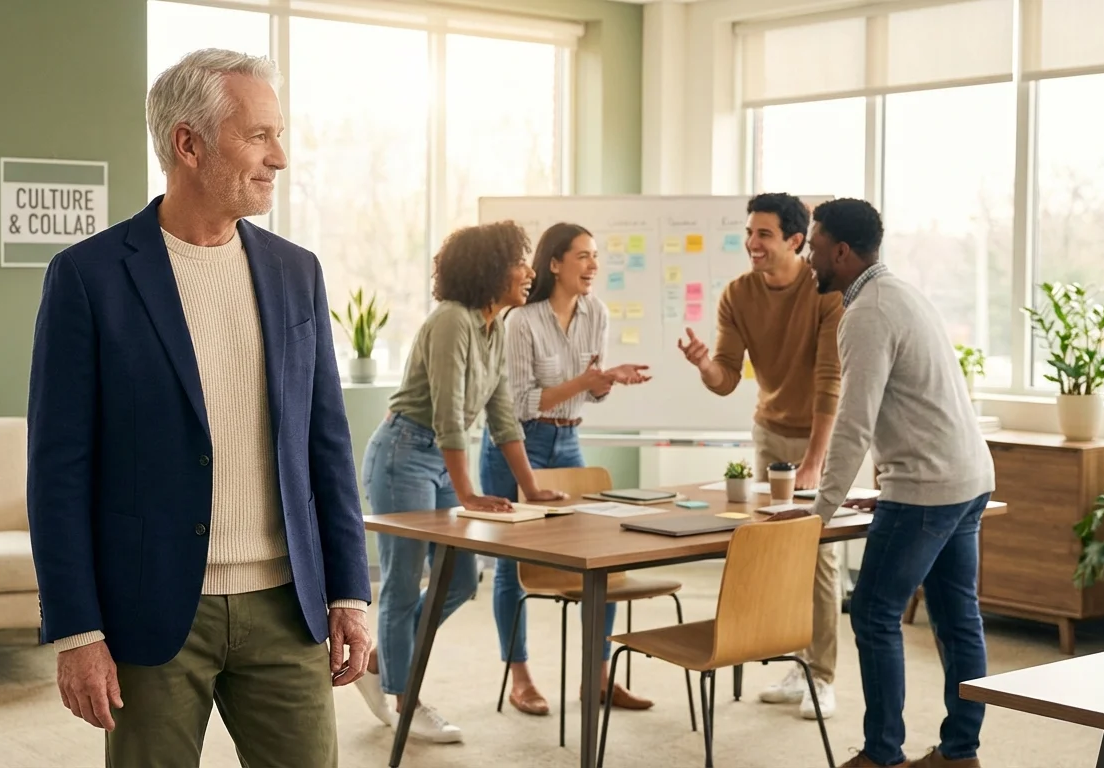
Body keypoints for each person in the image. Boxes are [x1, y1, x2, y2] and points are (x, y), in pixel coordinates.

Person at [25, 48, 372, 768]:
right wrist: (77, 632)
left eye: (279, 134)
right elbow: (57, 471)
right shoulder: (88, 277)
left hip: (288, 606)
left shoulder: (295, 270)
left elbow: (325, 444)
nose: (279, 157)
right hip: (151, 614)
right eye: (258, 136)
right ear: (188, 143)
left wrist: (351, 592)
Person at [770, 198, 994, 768]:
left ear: (841, 252)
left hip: (926, 488)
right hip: (966, 477)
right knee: (957, 617)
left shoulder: (866, 312)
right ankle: (959, 752)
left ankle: (881, 755)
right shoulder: (901, 293)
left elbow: (855, 421)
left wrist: (819, 509)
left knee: (872, 612)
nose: (810, 258)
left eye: (815, 248)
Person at [352, 220, 568, 744]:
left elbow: (503, 417)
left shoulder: (495, 328)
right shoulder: (451, 321)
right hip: (404, 454)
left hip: (440, 459)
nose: (529, 271)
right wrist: (468, 492)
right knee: (403, 582)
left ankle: (382, 660)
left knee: (461, 580)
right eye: (519, 261)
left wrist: (531, 488)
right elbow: (449, 413)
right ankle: (405, 700)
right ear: (490, 268)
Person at [675, 192, 845, 719]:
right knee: (772, 550)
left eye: (764, 234)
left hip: (821, 434)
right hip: (769, 434)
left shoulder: (825, 294)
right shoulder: (738, 295)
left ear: (795, 240)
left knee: (817, 554)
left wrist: (815, 460)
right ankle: (796, 661)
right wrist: (706, 365)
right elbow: (726, 378)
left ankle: (822, 676)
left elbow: (828, 380)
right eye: (749, 233)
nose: (752, 243)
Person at [478, 222, 653, 715]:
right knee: (514, 569)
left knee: (601, 559)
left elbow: (589, 391)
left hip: (568, 439)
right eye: (582, 256)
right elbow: (516, 403)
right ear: (554, 264)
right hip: (518, 443)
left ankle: (597, 679)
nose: (593, 266)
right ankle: (521, 678)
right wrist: (587, 379)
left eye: (596, 256)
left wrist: (606, 382)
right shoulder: (522, 321)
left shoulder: (596, 312)